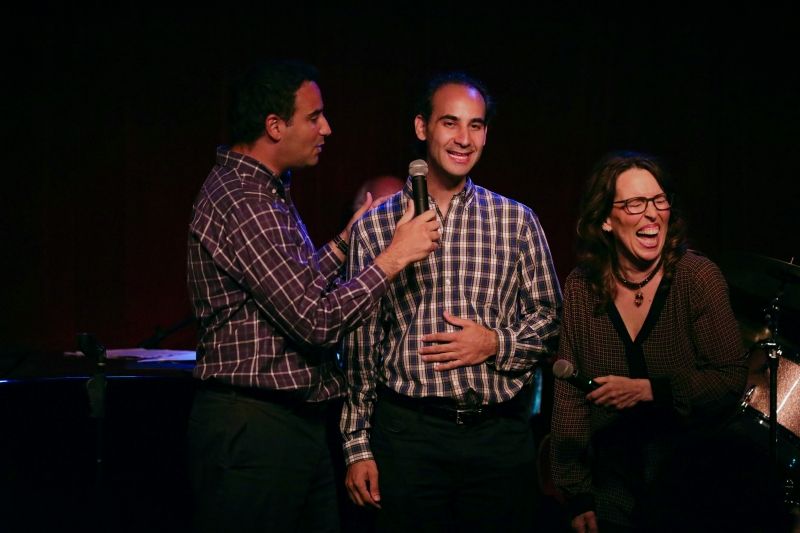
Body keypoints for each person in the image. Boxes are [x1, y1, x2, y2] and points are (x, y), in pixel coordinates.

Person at [185, 60, 440, 533]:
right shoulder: (244, 199)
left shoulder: (264, 190)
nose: (326, 127)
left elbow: (291, 286)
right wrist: (392, 259)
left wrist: (347, 239)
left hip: (287, 427)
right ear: (275, 126)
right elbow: (313, 320)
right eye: (314, 116)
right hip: (256, 430)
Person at [340, 72, 562, 532]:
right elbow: (361, 342)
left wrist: (495, 343)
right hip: (409, 435)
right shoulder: (376, 227)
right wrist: (357, 446)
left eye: (476, 126)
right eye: (450, 123)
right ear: (422, 128)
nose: (464, 139)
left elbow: (552, 319)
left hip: (498, 436)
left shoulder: (516, 221)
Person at [549, 151, 748, 532]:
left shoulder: (697, 278)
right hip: (612, 485)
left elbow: (730, 378)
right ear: (606, 219)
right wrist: (577, 494)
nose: (651, 214)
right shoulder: (582, 287)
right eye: (635, 203)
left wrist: (650, 390)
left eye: (659, 201)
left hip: (689, 484)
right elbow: (569, 398)